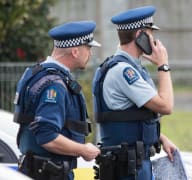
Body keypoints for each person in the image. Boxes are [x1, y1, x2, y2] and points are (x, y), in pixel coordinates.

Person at [92, 6, 177, 180]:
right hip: (128, 168)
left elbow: (130, 116)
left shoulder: (126, 67)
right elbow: (166, 105)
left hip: (130, 164)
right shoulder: (124, 72)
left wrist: (160, 137)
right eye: (150, 33)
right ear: (140, 35)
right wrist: (163, 66)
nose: (153, 40)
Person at [13, 21, 101, 180]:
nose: (91, 54)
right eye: (88, 48)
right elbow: (47, 136)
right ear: (75, 51)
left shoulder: (35, 73)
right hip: (50, 173)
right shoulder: (54, 85)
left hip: (36, 171)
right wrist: (82, 149)